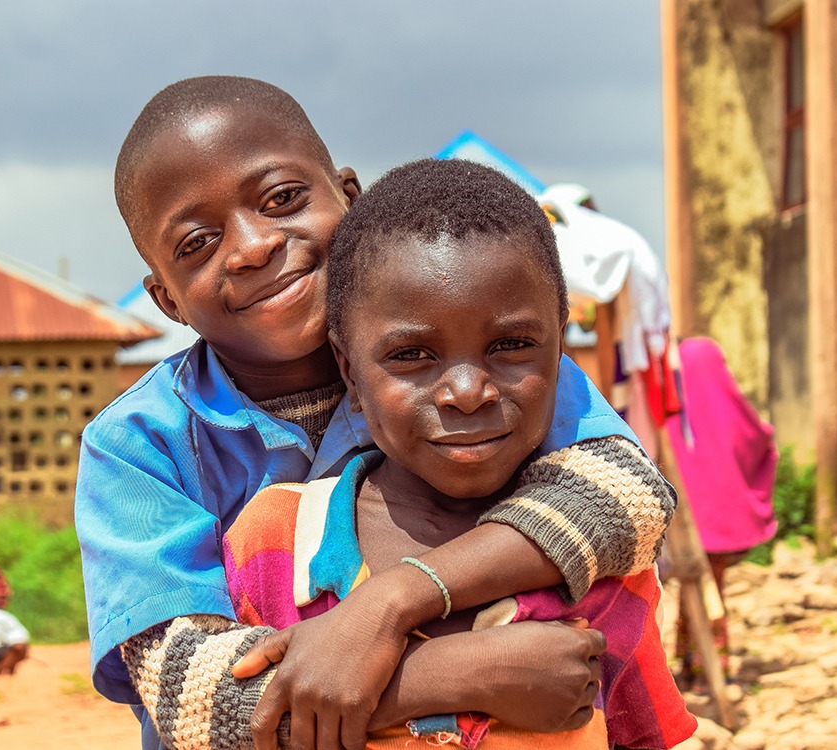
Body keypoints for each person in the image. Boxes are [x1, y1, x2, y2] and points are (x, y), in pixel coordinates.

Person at [78, 75, 677, 750]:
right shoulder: (137, 447)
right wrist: (450, 671)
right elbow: (191, 700)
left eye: (281, 198)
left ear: (349, 198)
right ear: (167, 302)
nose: (250, 246)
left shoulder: (479, 358)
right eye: (197, 243)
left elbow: (625, 501)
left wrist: (392, 602)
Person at [208, 158, 697, 749]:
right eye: (412, 356)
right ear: (351, 375)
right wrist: (456, 676)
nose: (468, 393)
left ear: (559, 347)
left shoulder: (604, 575)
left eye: (511, 346)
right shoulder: (276, 544)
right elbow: (235, 718)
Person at [663, 337, 778, 690]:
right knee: (712, 589)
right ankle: (709, 667)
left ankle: (689, 664)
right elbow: (756, 435)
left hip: (679, 522)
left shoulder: (669, 412)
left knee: (692, 589)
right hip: (718, 523)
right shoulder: (725, 407)